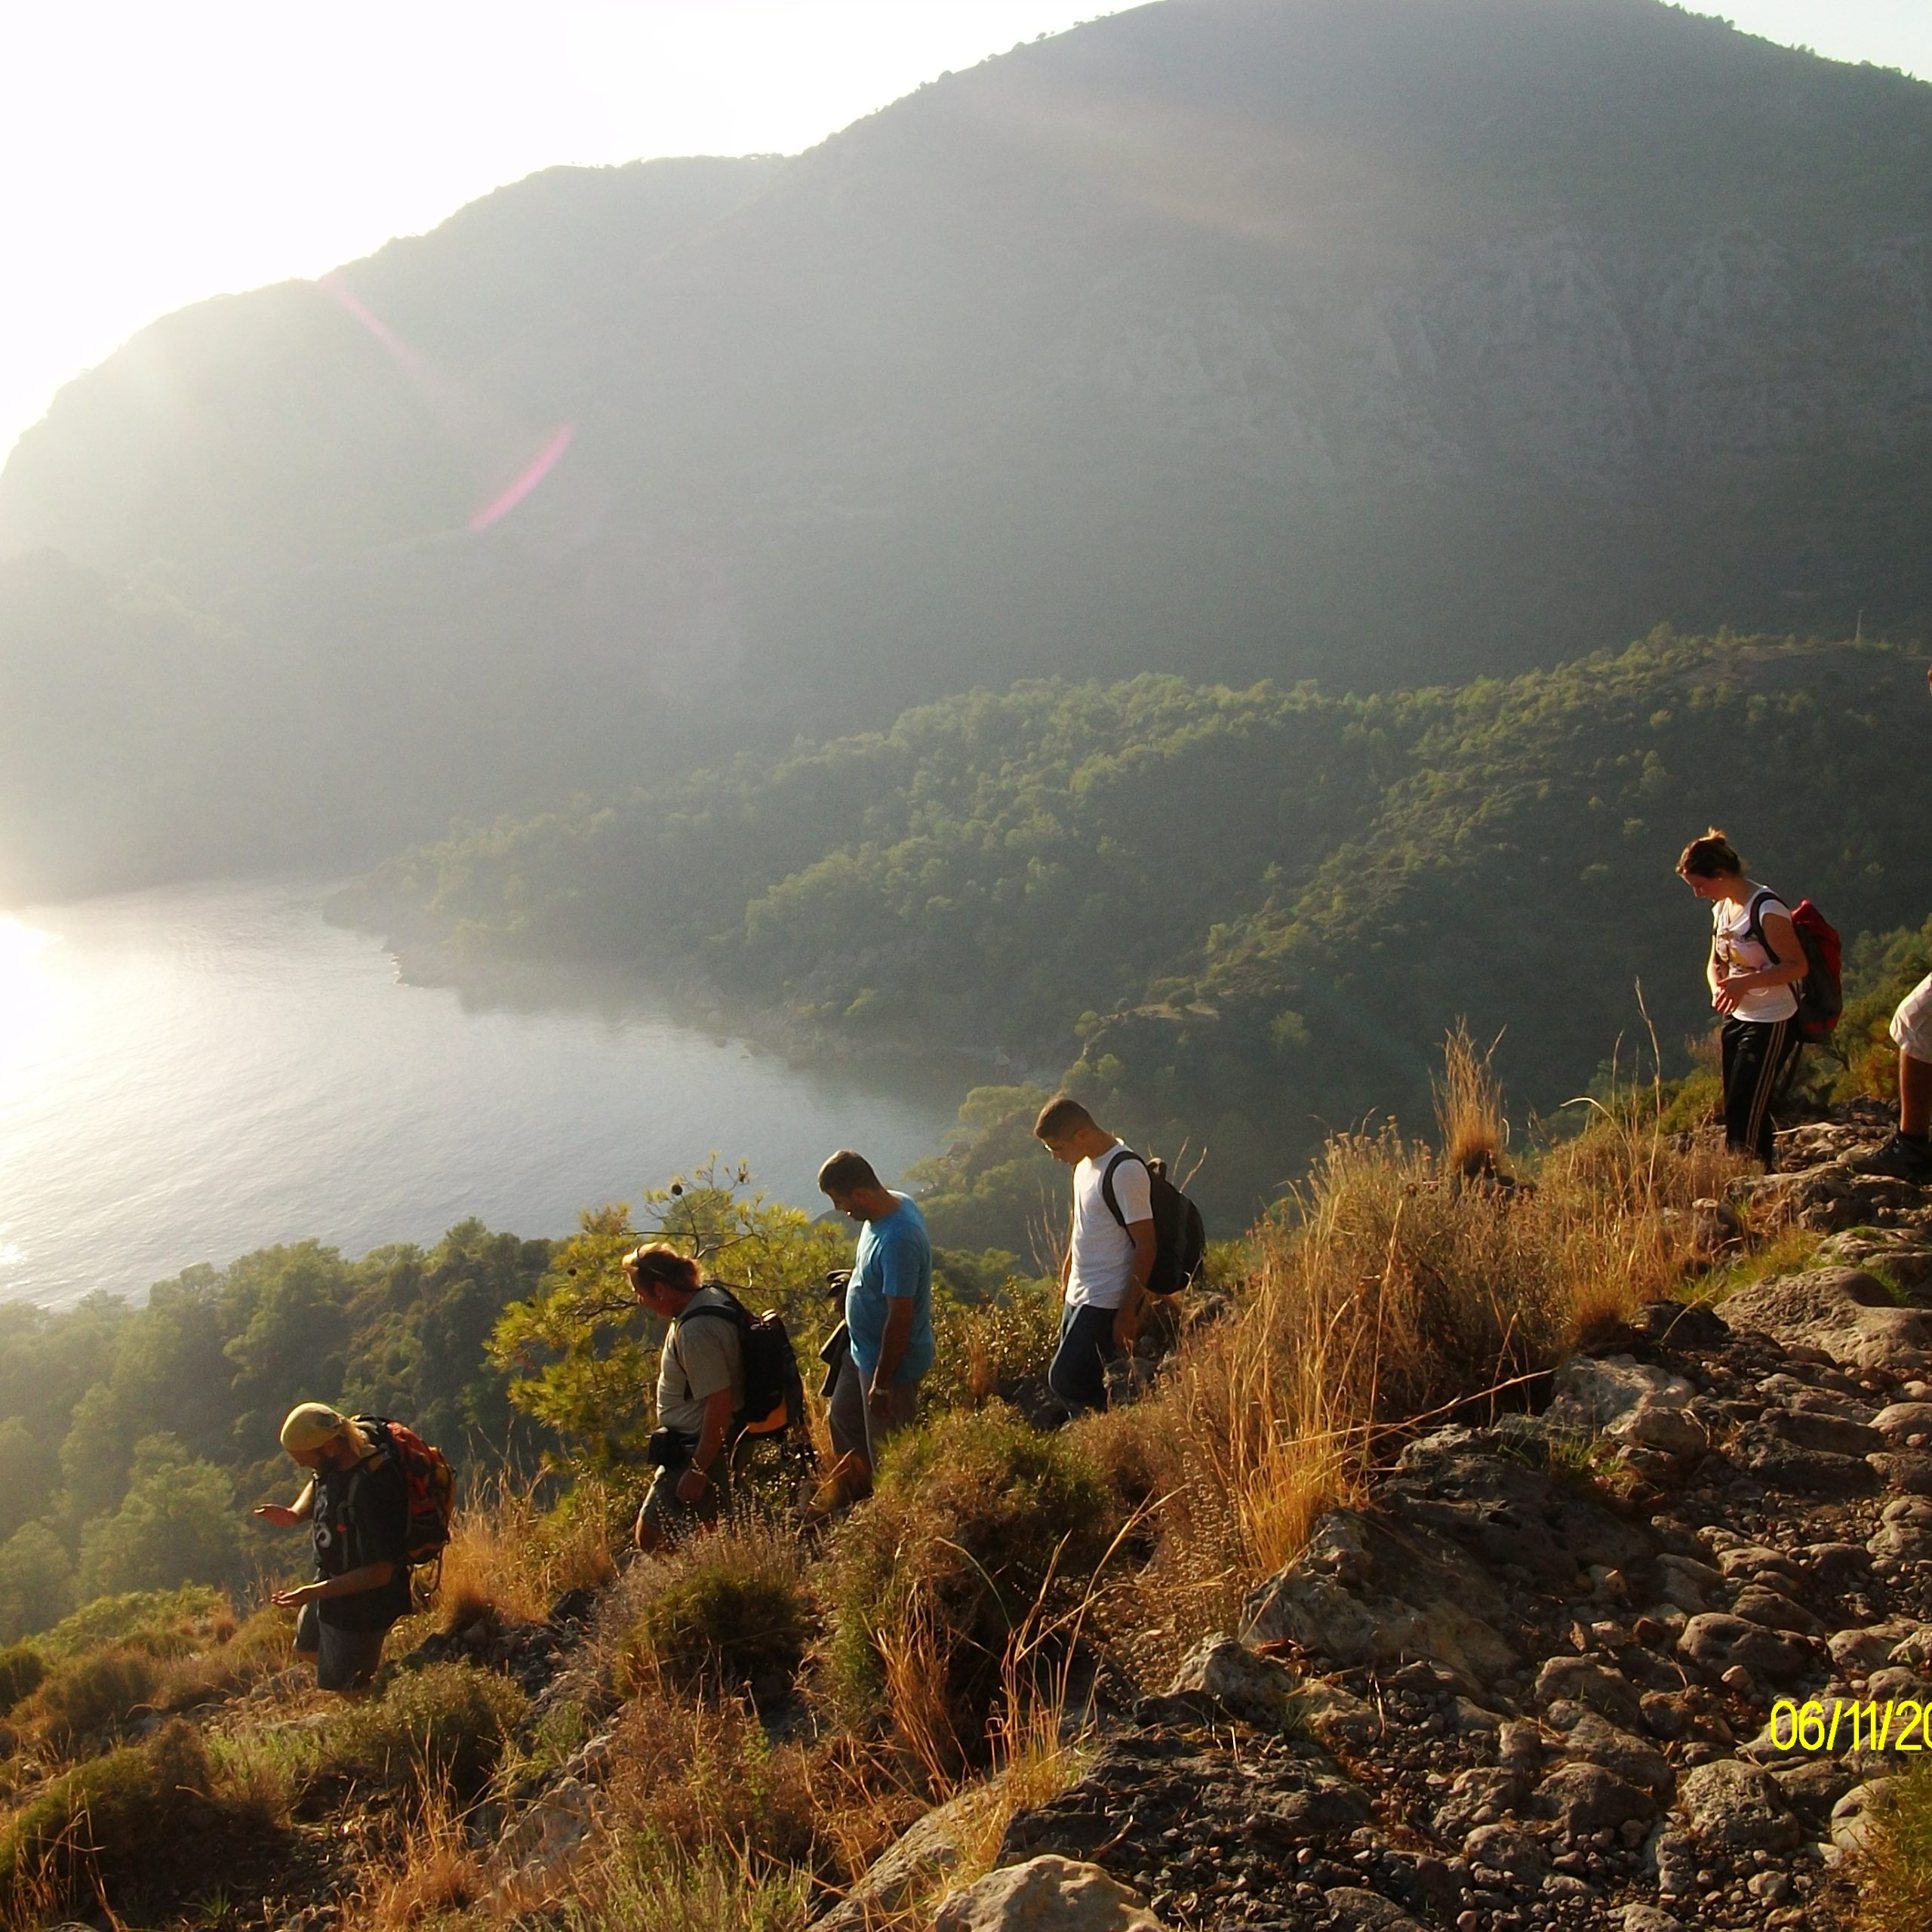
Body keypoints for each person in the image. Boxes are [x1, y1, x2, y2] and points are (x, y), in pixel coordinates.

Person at [255, 1403, 411, 1695]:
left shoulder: (373, 1487)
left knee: (349, 1686)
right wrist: (294, 1514)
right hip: (329, 1583)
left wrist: (313, 1593)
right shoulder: (334, 1461)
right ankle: (375, 1685)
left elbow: (380, 1572)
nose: (301, 1466)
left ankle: (380, 1711)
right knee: (306, 1648)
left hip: (363, 1604)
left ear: (328, 1447)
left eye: (305, 1459)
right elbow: (318, 1483)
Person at [1676, 829, 1807, 1169]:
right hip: (1740, 1017)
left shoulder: (1766, 910)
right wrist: (1718, 986)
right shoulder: (1723, 909)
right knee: (1736, 1103)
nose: (1697, 894)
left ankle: (1752, 1175)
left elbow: (1797, 966)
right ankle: (1751, 1171)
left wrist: (1744, 983)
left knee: (1748, 1104)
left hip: (1773, 1018)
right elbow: (1714, 960)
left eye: (1700, 885)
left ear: (1720, 875)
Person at [817, 1150, 934, 1492]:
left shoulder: (899, 1239)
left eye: (840, 1201)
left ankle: (896, 1507)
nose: (840, 1209)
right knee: (842, 1418)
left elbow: (901, 1319)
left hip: (890, 1366)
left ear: (861, 1194)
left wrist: (882, 1384)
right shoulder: (886, 1210)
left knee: (892, 1452)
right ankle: (861, 1492)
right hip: (860, 1352)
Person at [1033, 1094, 1157, 1416]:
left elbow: (1147, 1246)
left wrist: (1128, 1312)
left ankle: (1118, 1424)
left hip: (1106, 1297)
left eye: (1056, 1148)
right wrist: (1067, 1271)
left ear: (1082, 1135)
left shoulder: (1125, 1170)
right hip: (1080, 1292)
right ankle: (1096, 1432)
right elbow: (1082, 1225)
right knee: (1078, 1376)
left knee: (1064, 1379)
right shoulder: (1084, 1166)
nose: (1055, 1157)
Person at [624, 1243, 745, 1552]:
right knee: (713, 1528)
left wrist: (697, 1470)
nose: (640, 1301)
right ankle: (718, 1577)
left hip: (696, 1447)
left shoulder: (695, 1331)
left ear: (661, 1289)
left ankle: (693, 1588)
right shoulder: (712, 1296)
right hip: (715, 1443)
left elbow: (719, 1403)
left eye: (642, 1292)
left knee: (650, 1535)